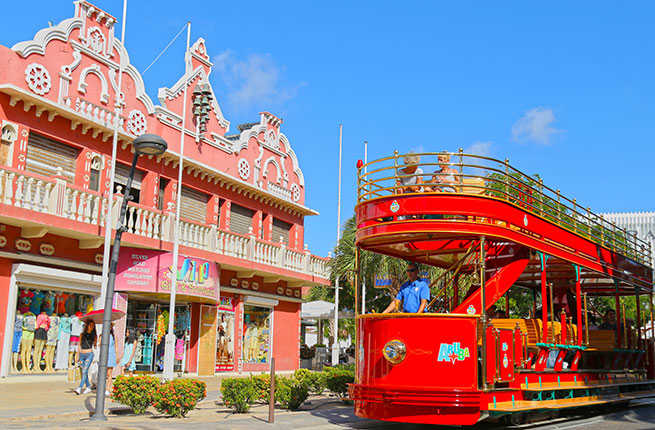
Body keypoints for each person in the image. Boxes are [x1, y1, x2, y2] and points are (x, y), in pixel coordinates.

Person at [74, 320, 96, 395]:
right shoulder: (82, 334)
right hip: (81, 355)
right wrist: (77, 355)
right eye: (90, 325)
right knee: (84, 371)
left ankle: (79, 387)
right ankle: (88, 386)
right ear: (87, 326)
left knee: (84, 370)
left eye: (93, 325)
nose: (91, 327)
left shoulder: (94, 335)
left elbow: (95, 345)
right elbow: (79, 345)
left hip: (89, 354)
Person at [98, 323, 118, 396]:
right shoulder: (102, 335)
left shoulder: (113, 336)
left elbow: (116, 346)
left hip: (111, 354)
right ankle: (102, 388)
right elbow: (99, 345)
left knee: (109, 374)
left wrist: (117, 356)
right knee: (103, 373)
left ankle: (108, 389)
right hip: (104, 355)